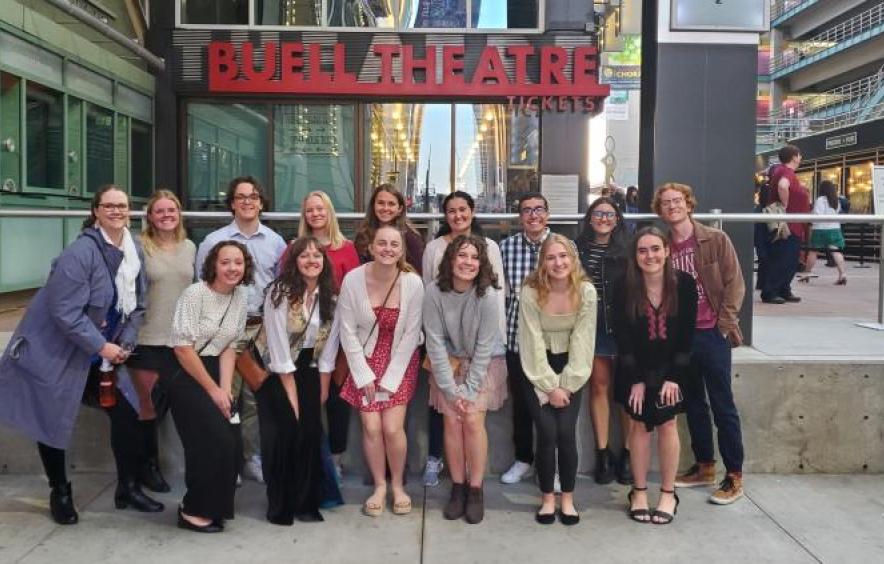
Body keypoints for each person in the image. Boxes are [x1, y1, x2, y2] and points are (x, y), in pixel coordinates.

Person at [0, 185, 161, 525]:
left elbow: (138, 307)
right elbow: (64, 312)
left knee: (129, 416)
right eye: (109, 206)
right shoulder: (80, 253)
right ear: (96, 211)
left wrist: (125, 345)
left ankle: (127, 488)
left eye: (123, 205)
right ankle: (60, 491)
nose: (117, 211)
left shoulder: (133, 250)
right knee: (52, 421)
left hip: (101, 354)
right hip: (59, 352)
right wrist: (103, 346)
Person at [653, 182, 748, 505]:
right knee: (693, 403)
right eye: (666, 203)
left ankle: (734, 474)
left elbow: (735, 285)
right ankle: (704, 466)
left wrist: (724, 326)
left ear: (689, 204)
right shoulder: (662, 246)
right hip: (681, 337)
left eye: (677, 201)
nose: (672, 206)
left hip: (712, 334)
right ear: (660, 209)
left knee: (723, 405)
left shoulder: (715, 239)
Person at [195, 176, 287, 483]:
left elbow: (282, 289)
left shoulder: (276, 242)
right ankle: (227, 458)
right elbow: (202, 285)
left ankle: (251, 457)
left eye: (253, 197)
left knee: (253, 398)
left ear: (261, 203)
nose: (248, 201)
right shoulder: (213, 241)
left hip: (259, 327)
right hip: (223, 327)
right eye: (241, 197)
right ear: (232, 203)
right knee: (225, 395)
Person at [420, 191, 506, 487]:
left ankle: (475, 488)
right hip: (446, 355)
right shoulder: (434, 285)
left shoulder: (488, 292)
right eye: (461, 256)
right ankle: (458, 486)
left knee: (471, 420)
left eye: (473, 257)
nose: (468, 262)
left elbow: (485, 341)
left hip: (482, 356)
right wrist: (449, 386)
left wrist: (468, 390)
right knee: (451, 422)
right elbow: (433, 335)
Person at [338, 225, 424, 517]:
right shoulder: (353, 280)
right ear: (371, 247)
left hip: (400, 359)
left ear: (401, 250)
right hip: (364, 358)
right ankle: (379, 486)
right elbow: (347, 332)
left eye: (394, 245)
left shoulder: (413, 283)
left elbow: (412, 334)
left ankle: (398, 485)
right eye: (382, 243)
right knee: (371, 427)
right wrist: (363, 375)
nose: (388, 249)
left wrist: (390, 378)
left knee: (391, 427)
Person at [613, 227, 697, 525]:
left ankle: (667, 493)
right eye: (642, 250)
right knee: (638, 425)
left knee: (668, 423)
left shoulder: (684, 284)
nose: (650, 256)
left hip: (672, 368)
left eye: (655, 249)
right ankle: (637, 491)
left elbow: (687, 334)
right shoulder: (623, 286)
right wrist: (635, 377)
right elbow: (622, 336)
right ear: (635, 256)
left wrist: (674, 376)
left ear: (667, 251)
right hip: (635, 367)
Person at [168, 240, 251, 533]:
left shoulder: (240, 296)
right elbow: (182, 349)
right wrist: (212, 390)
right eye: (225, 262)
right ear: (213, 264)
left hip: (219, 371)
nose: (232, 268)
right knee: (209, 443)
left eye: (238, 262)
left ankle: (214, 508)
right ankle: (192, 510)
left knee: (230, 444)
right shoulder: (195, 294)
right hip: (188, 374)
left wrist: (225, 388)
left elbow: (231, 346)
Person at [260, 236, 341, 524]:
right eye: (304, 256)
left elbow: (330, 346)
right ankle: (281, 505)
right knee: (286, 436)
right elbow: (278, 346)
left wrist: (322, 387)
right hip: (278, 372)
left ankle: (306, 502)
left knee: (309, 435)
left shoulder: (330, 296)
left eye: (317, 256)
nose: (311, 261)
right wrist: (291, 393)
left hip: (311, 369)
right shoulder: (279, 293)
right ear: (294, 261)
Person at [518, 234, 596, 525]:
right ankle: (547, 497)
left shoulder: (586, 291)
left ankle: (568, 498)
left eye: (563, 256)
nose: (558, 262)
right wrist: (550, 387)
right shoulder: (530, 291)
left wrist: (568, 384)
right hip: (537, 367)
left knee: (565, 431)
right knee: (547, 432)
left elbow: (583, 339)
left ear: (573, 260)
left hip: (572, 367)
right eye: (551, 257)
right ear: (542, 262)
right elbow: (531, 340)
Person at [126, 189, 196, 494]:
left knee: (168, 409)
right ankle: (146, 468)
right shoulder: (139, 247)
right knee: (146, 411)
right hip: (146, 339)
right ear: (149, 217)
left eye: (172, 210)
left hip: (180, 341)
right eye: (160, 211)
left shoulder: (190, 247)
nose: (167, 216)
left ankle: (148, 466)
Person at [290, 190, 360, 478]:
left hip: (339, 335)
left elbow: (356, 291)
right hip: (302, 337)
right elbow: (286, 286)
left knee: (336, 398)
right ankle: (305, 456)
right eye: (310, 210)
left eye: (321, 209)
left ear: (330, 212)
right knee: (306, 396)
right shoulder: (294, 246)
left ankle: (336, 458)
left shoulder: (346, 248)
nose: (315, 214)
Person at [576, 196, 632, 485]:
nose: (604, 218)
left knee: (625, 394)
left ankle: (627, 453)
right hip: (592, 327)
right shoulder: (578, 249)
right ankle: (602, 453)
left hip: (623, 328)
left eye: (610, 214)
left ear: (617, 219)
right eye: (598, 213)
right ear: (589, 218)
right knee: (598, 387)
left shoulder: (629, 248)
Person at [498, 192, 552, 485]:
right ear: (520, 217)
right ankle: (523, 459)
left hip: (552, 342)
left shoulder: (562, 247)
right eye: (527, 210)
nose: (533, 215)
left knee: (551, 405)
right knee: (521, 404)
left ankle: (550, 465)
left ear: (547, 214)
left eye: (539, 209)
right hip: (516, 339)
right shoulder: (506, 248)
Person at [762, 144, 809, 304]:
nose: (801, 157)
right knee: (783, 257)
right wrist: (786, 206)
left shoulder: (785, 172)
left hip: (793, 224)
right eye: (799, 155)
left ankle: (783, 288)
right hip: (787, 224)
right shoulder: (785, 171)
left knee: (790, 258)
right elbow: (783, 185)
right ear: (794, 157)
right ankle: (771, 291)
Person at [354, 183, 425, 273]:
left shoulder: (412, 239)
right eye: (381, 203)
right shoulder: (362, 236)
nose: (385, 208)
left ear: (400, 209)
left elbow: (417, 275)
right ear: (373, 206)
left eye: (391, 204)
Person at [802, 180, 847, 285]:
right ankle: (842, 274)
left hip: (820, 229)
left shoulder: (820, 200)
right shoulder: (836, 201)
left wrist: (810, 220)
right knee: (836, 251)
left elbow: (817, 215)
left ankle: (806, 274)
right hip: (835, 229)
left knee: (813, 252)